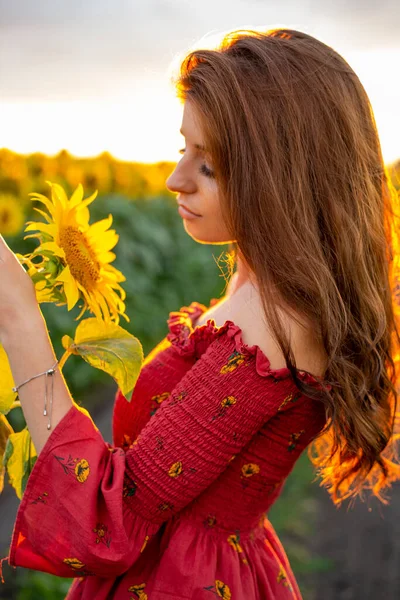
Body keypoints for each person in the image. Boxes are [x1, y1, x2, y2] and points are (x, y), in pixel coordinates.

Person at [0, 27, 399, 600]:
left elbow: (106, 521)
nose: (174, 179)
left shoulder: (273, 325)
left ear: (285, 178)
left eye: (208, 167)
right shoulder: (264, 285)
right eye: (182, 148)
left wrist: (18, 315)